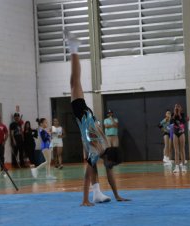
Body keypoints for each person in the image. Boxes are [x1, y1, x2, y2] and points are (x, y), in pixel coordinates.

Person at [65, 30, 130, 206]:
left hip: (89, 117)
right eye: (112, 164)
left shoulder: (106, 149)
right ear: (109, 158)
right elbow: (87, 174)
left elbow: (108, 172)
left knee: (74, 82)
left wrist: (118, 196)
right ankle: (74, 48)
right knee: (75, 81)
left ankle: (97, 193)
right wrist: (84, 200)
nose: (112, 167)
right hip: (82, 112)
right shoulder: (97, 151)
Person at [171, 104, 186, 173]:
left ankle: (183, 165)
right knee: (176, 150)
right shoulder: (173, 114)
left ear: (180, 108)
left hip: (181, 132)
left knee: (182, 150)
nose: (177, 108)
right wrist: (174, 114)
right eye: (175, 106)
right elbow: (171, 122)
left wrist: (179, 114)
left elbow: (183, 122)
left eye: (178, 107)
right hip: (175, 132)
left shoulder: (182, 114)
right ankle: (176, 166)